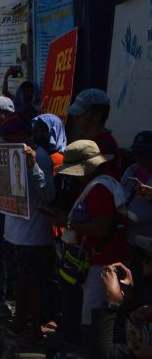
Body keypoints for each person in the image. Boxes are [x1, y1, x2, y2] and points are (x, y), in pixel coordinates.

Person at [48, 140, 130, 333]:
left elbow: (101, 228)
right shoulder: (99, 183)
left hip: (103, 261)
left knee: (94, 314)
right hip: (100, 258)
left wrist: (66, 223)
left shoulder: (100, 189)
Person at [4, 116, 61, 348]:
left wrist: (33, 165)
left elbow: (49, 194)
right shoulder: (9, 154)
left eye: (9, 138)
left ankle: (35, 328)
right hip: (12, 232)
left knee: (33, 284)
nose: (6, 142)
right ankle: (21, 318)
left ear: (21, 137)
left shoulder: (42, 158)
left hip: (32, 236)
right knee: (19, 280)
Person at [67, 88, 122, 180]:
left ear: (97, 116)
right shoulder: (93, 141)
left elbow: (82, 177)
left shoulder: (103, 146)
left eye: (81, 114)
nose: (75, 117)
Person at [121, 131, 152, 288]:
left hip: (147, 245)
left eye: (143, 154)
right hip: (127, 237)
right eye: (136, 153)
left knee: (142, 286)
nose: (138, 157)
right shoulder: (132, 169)